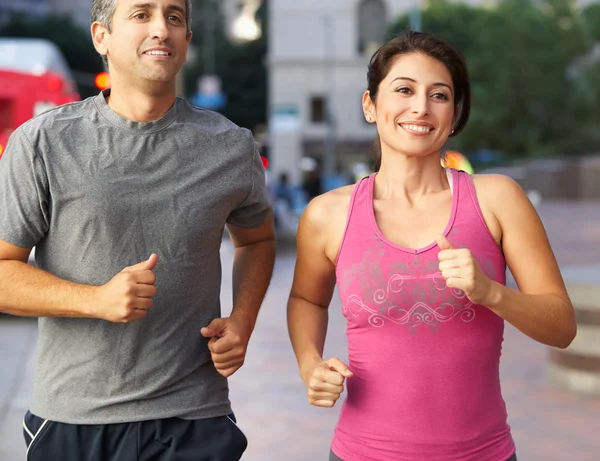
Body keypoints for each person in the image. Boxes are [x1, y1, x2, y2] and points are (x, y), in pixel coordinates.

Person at [0, 0, 275, 459]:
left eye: (174, 17)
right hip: (74, 418)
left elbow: (258, 239)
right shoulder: (43, 141)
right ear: (100, 36)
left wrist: (242, 321)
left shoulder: (231, 146)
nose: (161, 30)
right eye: (141, 14)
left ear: (187, 38)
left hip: (195, 418)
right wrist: (95, 300)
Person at [287, 30, 576, 461]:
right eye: (403, 90)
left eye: (439, 95)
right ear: (371, 105)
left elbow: (562, 327)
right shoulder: (328, 214)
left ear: (455, 114)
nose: (421, 107)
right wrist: (310, 363)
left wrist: (491, 293)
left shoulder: (497, 199)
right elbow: (307, 298)